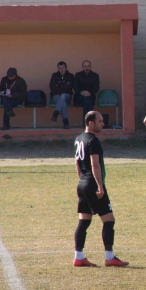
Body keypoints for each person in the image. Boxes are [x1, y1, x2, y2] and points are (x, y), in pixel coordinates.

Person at [73, 111, 128, 267]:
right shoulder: (93, 140)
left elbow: (77, 163)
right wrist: (99, 186)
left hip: (82, 184)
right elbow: (95, 164)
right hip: (92, 185)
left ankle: (78, 257)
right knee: (109, 220)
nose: (103, 124)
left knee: (84, 221)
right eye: (100, 121)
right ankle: (110, 258)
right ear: (91, 123)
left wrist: (82, 180)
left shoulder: (78, 139)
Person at [49, 61, 74, 129]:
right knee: (63, 102)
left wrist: (59, 87)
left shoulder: (70, 76)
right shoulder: (54, 75)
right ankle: (66, 122)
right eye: (59, 68)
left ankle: (56, 113)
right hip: (56, 96)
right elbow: (52, 87)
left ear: (66, 68)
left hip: (67, 96)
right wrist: (63, 87)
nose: (61, 69)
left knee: (63, 96)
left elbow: (69, 87)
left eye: (63, 67)